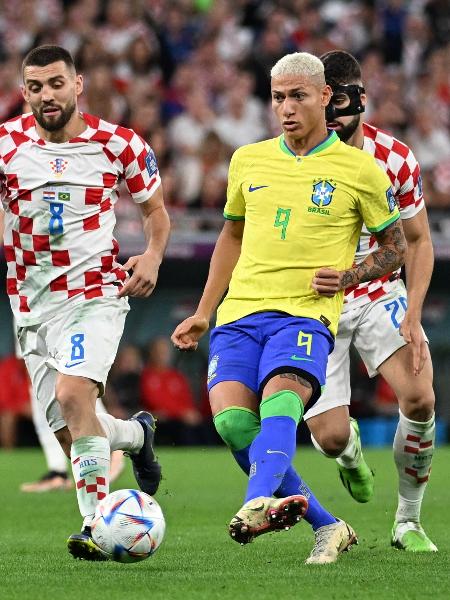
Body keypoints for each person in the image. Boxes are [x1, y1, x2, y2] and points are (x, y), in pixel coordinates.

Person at [172, 51, 407, 564]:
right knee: (233, 425)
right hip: (240, 313)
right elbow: (230, 236)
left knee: (281, 403)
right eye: (278, 97)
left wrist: (348, 276)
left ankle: (257, 501)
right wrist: (204, 309)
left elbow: (396, 248)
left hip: (305, 314)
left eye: (298, 96)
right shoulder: (247, 160)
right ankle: (328, 525)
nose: (287, 107)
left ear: (325, 97)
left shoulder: (360, 169)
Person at [0, 45, 170, 560]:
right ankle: (136, 437)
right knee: (75, 433)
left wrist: (153, 258)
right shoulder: (6, 145)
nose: (46, 95)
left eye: (55, 83)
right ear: (23, 91)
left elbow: (155, 212)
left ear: (78, 84)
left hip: (95, 292)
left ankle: (95, 527)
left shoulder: (119, 143)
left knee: (76, 394)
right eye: (35, 86)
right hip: (30, 306)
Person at [302, 50, 437, 553]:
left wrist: (416, 315)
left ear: (358, 101)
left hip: (380, 291)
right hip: (316, 303)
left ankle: (408, 522)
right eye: (324, 104)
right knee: (331, 437)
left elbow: (419, 242)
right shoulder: (292, 158)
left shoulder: (395, 158)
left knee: (421, 398)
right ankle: (348, 451)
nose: (332, 115)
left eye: (340, 103)